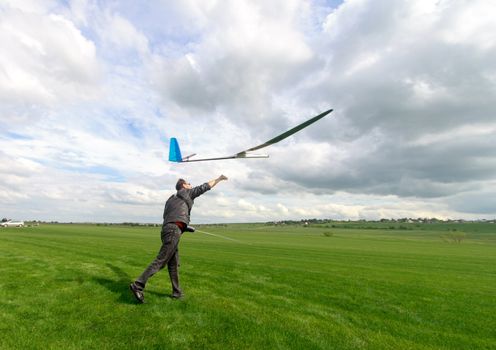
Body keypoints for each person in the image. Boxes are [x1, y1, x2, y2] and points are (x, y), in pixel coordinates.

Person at [130, 175, 228, 303]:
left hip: (167, 230)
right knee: (161, 260)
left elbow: (170, 217)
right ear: (183, 186)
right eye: (188, 183)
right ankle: (138, 285)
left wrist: (185, 227)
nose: (191, 185)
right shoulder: (187, 193)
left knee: (173, 264)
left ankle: (177, 292)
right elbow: (205, 187)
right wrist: (219, 179)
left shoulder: (170, 200)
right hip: (173, 231)